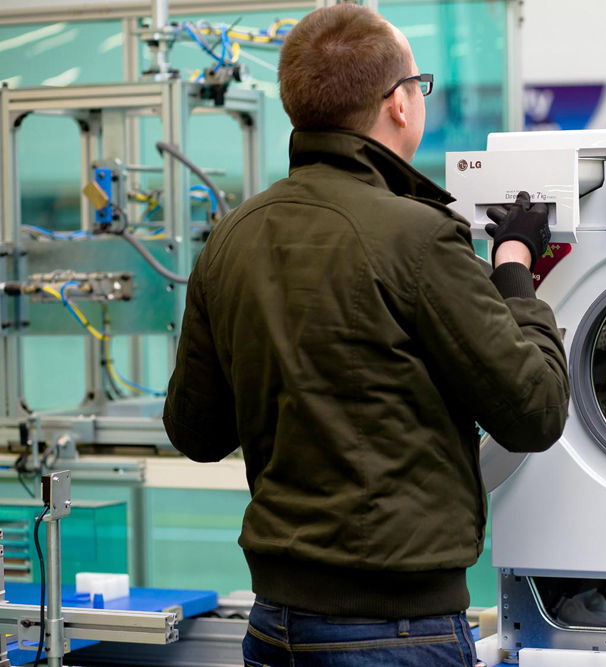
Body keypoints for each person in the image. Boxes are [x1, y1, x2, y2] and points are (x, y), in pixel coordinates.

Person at [162, 4, 570, 666]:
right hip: (395, 632)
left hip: (274, 628)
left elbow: (196, 434)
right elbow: (535, 412)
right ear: (400, 104)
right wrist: (514, 267)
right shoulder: (417, 236)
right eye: (420, 85)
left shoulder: (230, 239)